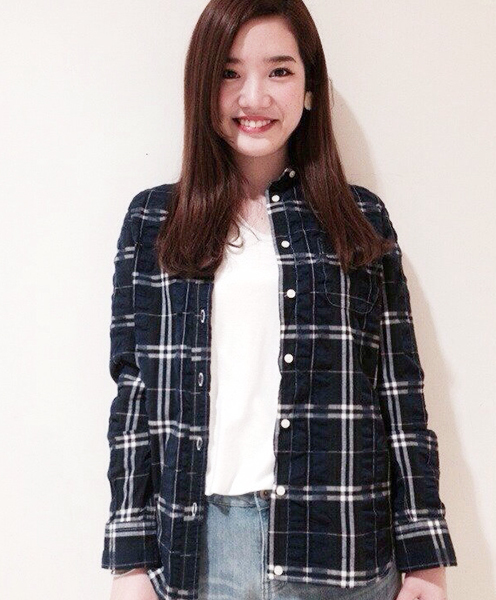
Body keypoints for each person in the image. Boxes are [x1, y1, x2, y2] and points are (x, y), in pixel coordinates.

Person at [101, 1, 458, 599]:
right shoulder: (153, 221)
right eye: (229, 72)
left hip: (344, 549)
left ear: (310, 87)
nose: (254, 96)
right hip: (200, 553)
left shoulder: (360, 218)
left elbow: (399, 392)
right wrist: (129, 562)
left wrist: (425, 558)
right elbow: (134, 399)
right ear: (202, 85)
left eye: (280, 71)